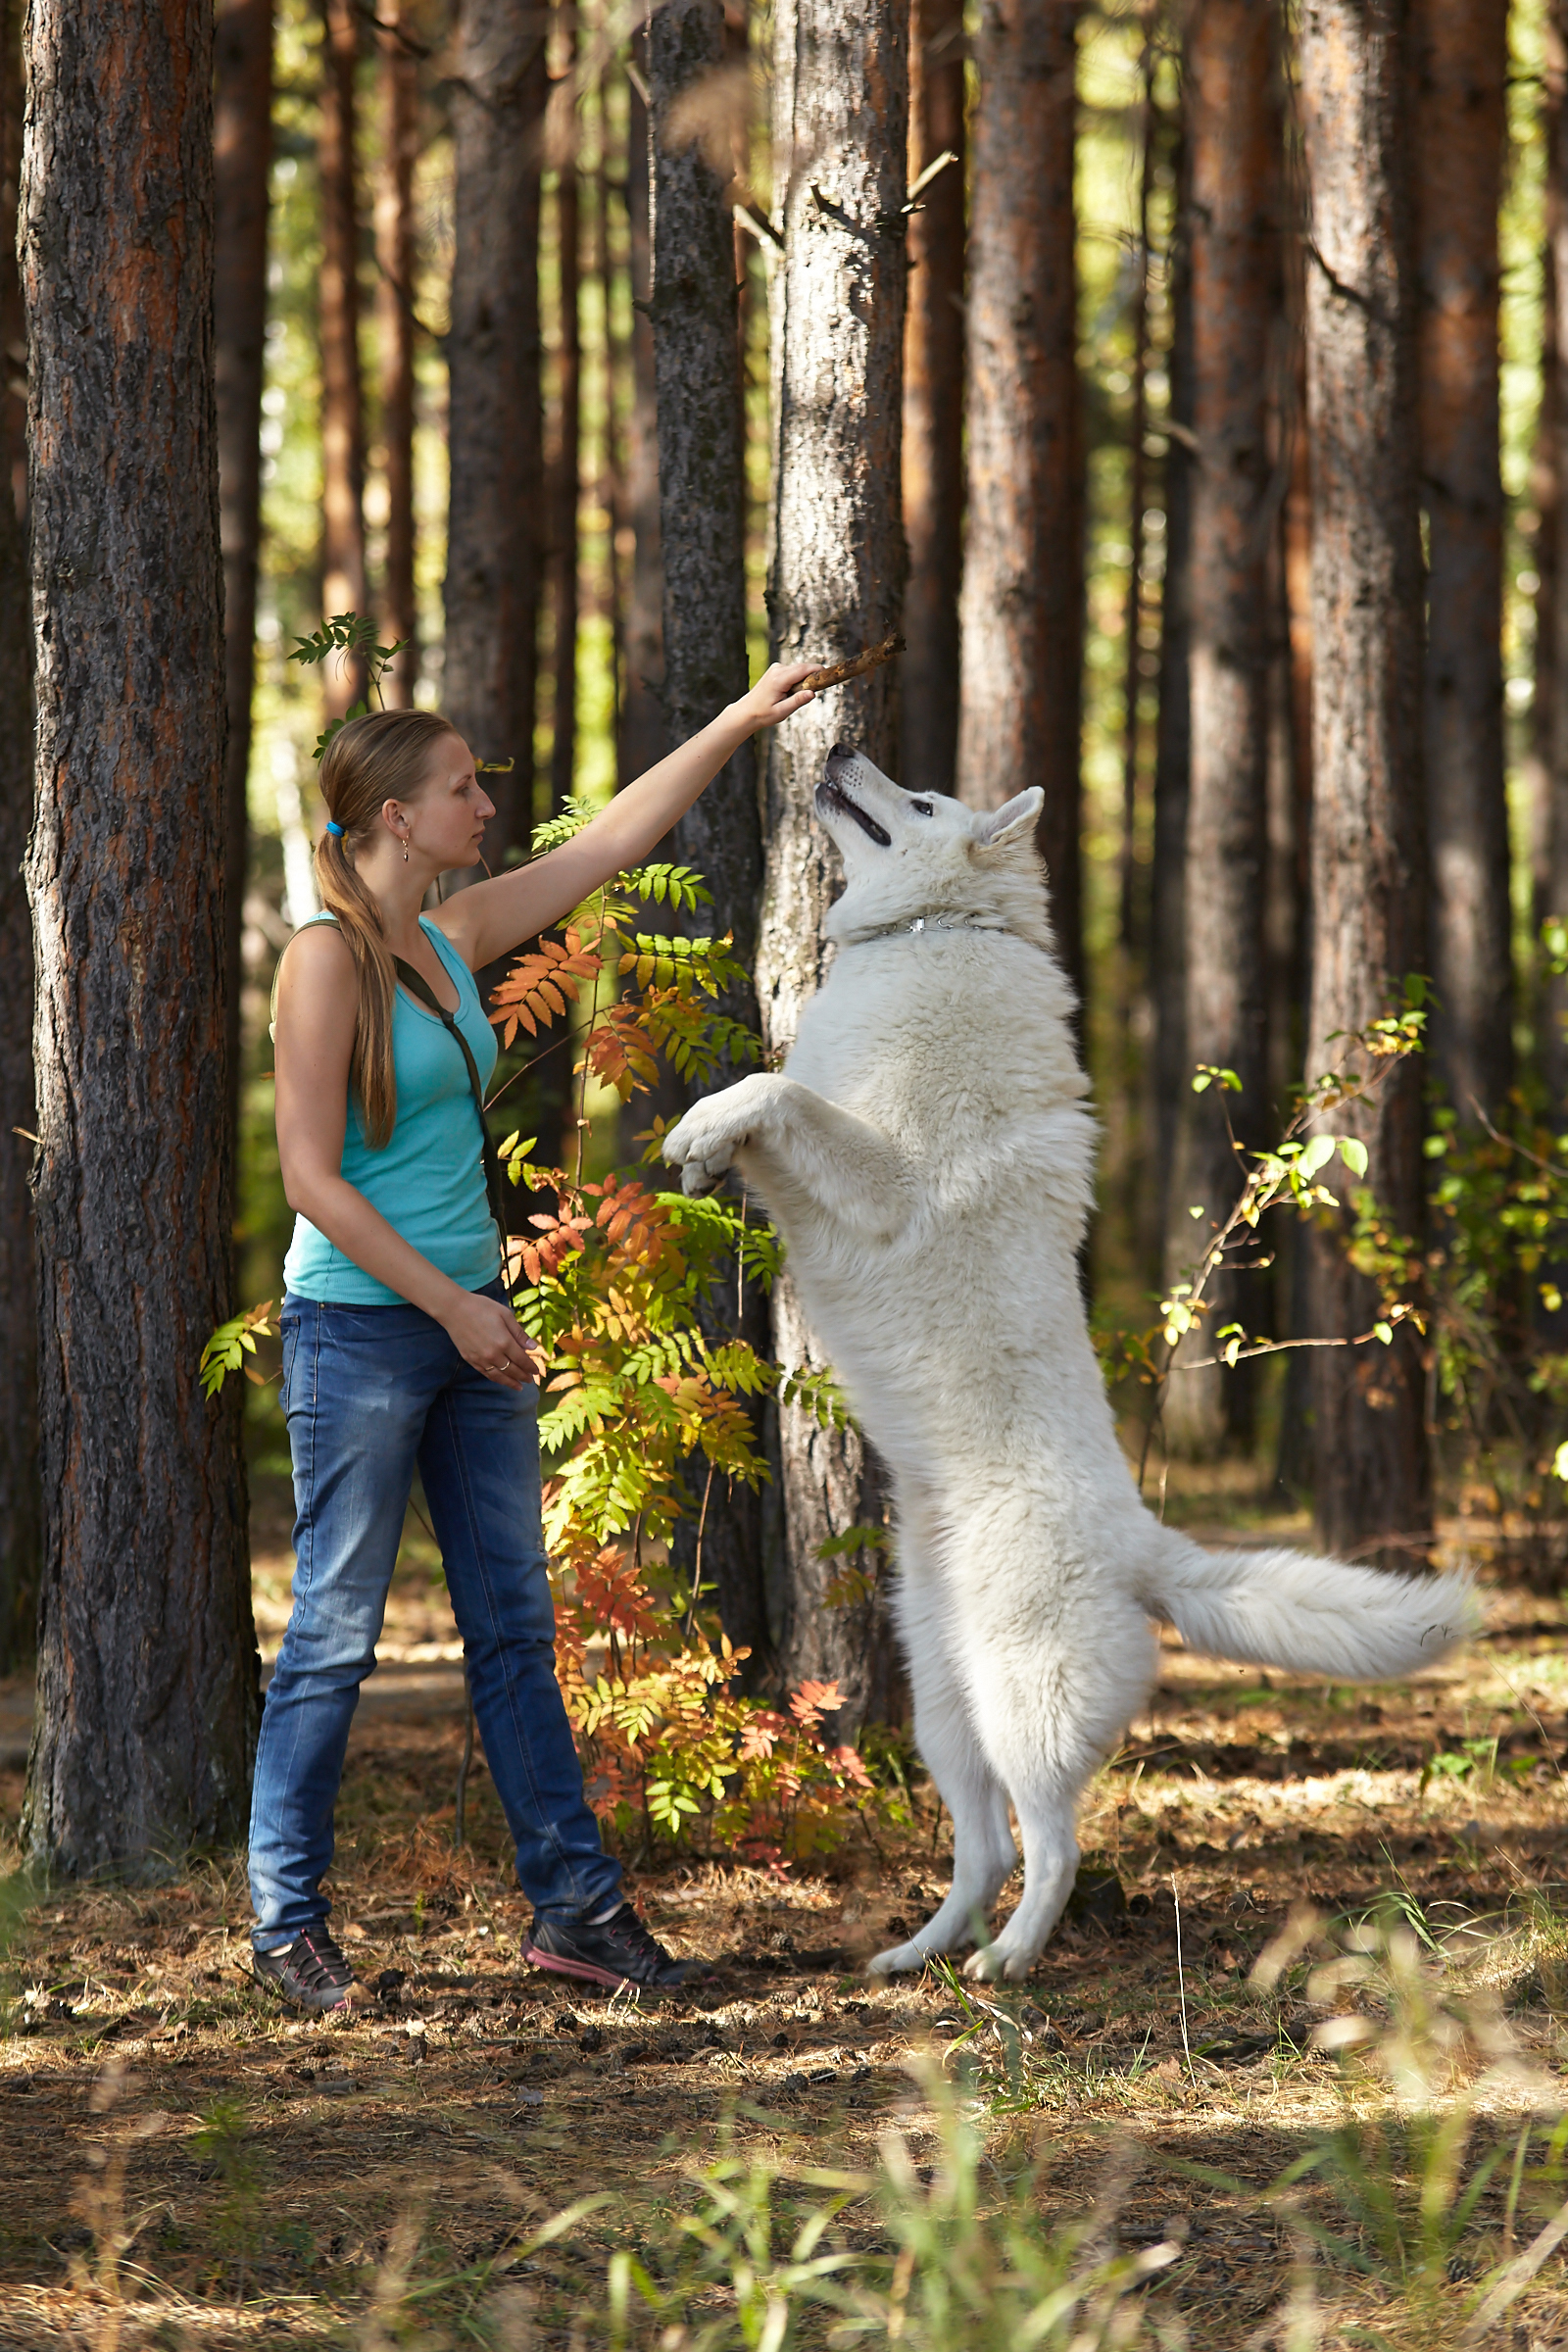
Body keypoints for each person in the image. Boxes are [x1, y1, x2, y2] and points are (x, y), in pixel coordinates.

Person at [249, 662, 816, 2010]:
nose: (484, 804)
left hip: (469, 1340)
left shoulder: (450, 940)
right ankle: (287, 1926)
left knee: (514, 1628)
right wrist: (454, 1306)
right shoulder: (324, 962)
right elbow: (311, 1179)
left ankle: (574, 1911)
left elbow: (612, 839)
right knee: (332, 1630)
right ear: (393, 816)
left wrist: (739, 723)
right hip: (365, 1337)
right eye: (461, 786)